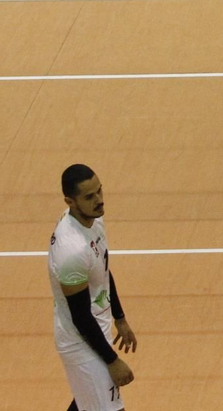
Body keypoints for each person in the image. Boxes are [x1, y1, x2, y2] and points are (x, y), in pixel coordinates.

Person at [50, 164, 137, 411]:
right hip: (81, 341)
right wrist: (112, 360)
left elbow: (102, 270)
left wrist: (119, 317)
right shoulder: (71, 251)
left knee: (88, 402)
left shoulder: (93, 221)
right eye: (89, 197)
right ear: (70, 201)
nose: (99, 200)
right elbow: (80, 317)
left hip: (97, 327)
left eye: (99, 191)